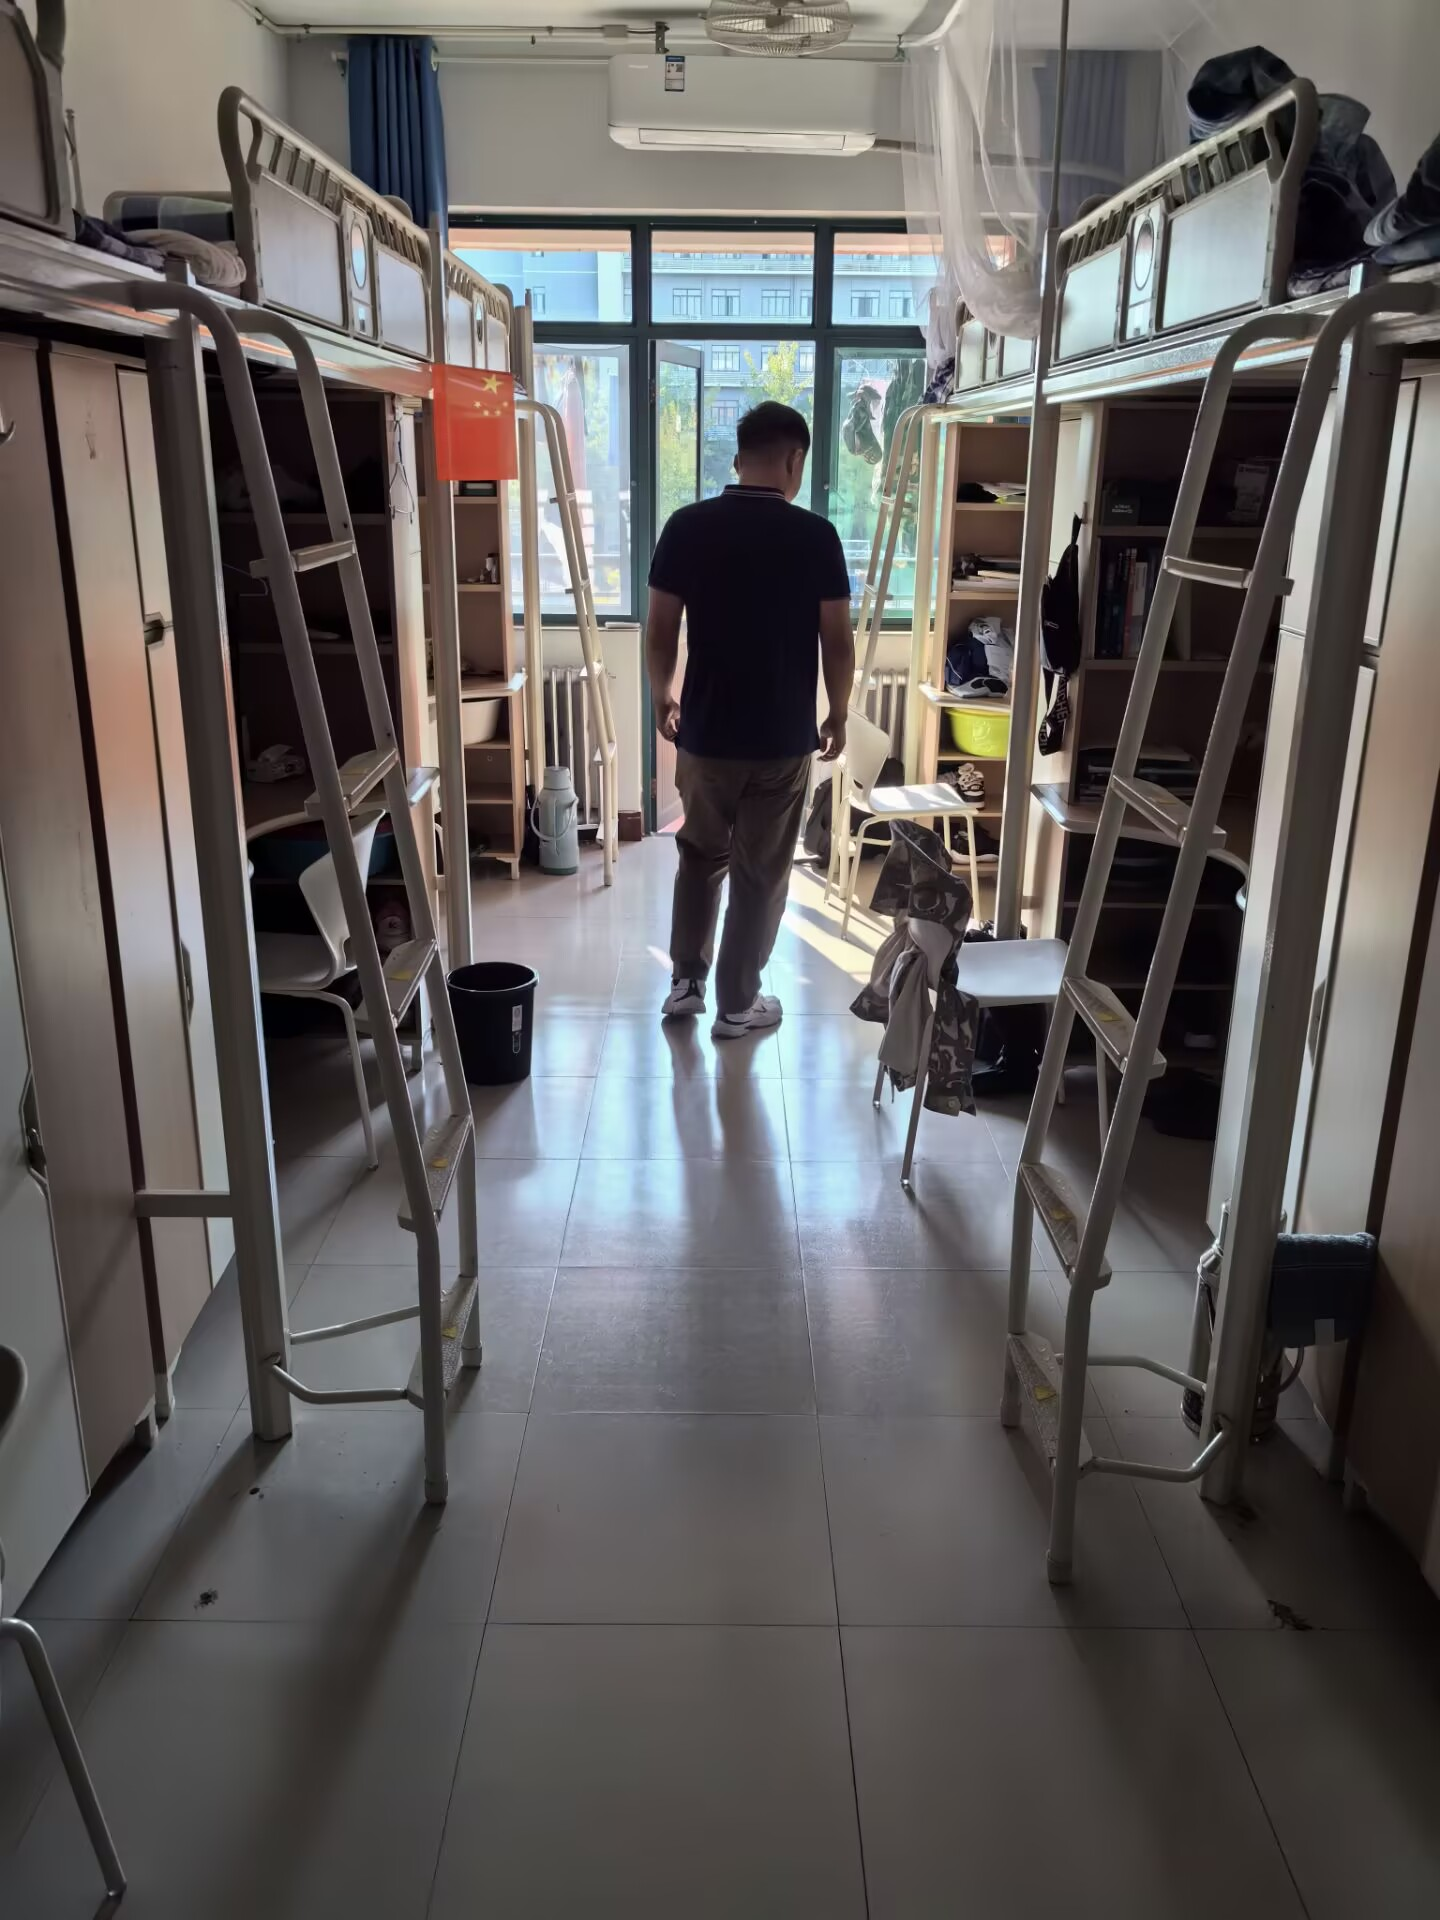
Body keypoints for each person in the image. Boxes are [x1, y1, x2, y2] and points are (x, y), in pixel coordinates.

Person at [645, 401, 855, 1039]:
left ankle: (685, 983)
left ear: (738, 459)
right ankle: (738, 1004)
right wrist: (838, 712)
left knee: (699, 856)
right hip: (780, 740)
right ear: (794, 460)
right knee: (760, 873)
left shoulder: (686, 527)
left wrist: (661, 695)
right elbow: (837, 641)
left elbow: (661, 627)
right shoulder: (816, 536)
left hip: (704, 735)